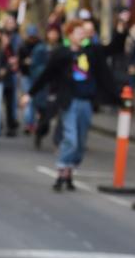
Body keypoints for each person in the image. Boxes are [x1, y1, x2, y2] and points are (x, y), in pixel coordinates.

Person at [24, 18, 118, 191]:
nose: (82, 35)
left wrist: (117, 97)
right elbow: (46, 74)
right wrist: (30, 94)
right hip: (69, 101)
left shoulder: (91, 52)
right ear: (70, 35)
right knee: (71, 138)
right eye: (78, 32)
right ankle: (62, 169)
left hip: (86, 102)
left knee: (81, 142)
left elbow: (106, 69)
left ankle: (70, 170)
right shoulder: (62, 53)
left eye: (84, 32)